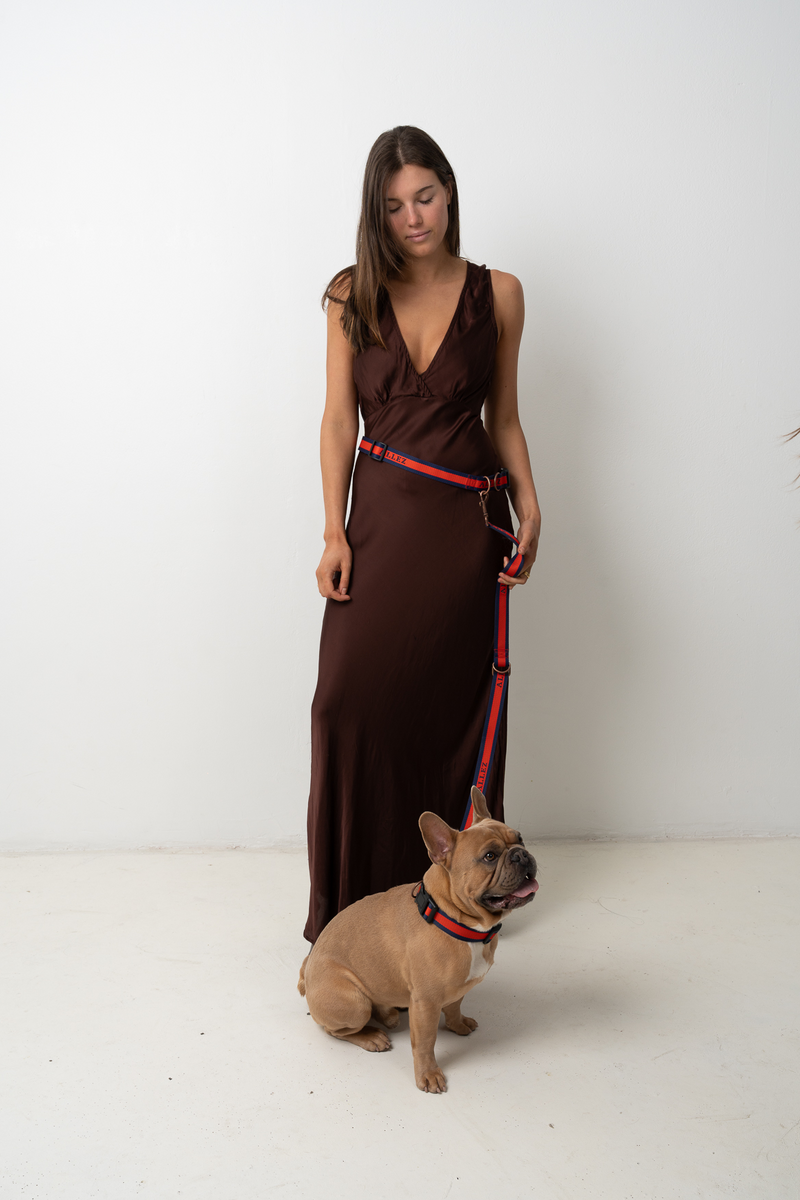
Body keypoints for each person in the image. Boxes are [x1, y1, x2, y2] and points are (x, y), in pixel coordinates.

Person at [304, 126, 541, 943]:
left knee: (447, 709)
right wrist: (333, 531)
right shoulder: (350, 295)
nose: (413, 218)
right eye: (394, 205)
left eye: (426, 197)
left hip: (465, 533)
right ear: (375, 213)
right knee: (344, 704)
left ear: (449, 193)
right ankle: (350, 910)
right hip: (378, 526)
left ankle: (459, 904)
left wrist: (531, 505)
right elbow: (339, 421)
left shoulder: (499, 293)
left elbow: (502, 418)